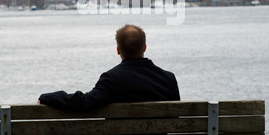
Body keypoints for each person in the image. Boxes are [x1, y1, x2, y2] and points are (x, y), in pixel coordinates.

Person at [38, 24, 180, 111]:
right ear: (145, 47)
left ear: (118, 50)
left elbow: (84, 103)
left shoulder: (112, 79)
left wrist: (47, 98)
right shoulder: (169, 78)